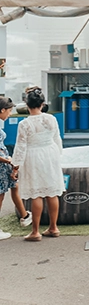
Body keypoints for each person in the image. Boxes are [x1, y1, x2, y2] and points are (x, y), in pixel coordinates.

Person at [14, 87, 63, 241]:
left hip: (33, 155)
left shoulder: (24, 124)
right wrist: (58, 154)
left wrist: (16, 166)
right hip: (50, 153)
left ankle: (35, 231)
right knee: (51, 191)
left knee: (37, 193)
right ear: (42, 103)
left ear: (26, 104)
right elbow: (57, 139)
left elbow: (20, 147)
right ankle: (53, 227)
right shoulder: (51, 119)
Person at [0, 96, 30, 238]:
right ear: (2, 110)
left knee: (14, 186)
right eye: (9, 110)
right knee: (0, 197)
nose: (10, 114)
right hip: (3, 164)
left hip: (4, 163)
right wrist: (8, 161)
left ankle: (24, 216)